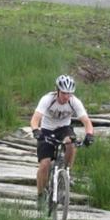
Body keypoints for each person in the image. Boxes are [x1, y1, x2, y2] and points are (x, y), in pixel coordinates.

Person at [30, 74, 94, 209]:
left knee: (71, 142)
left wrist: (89, 135)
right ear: (57, 90)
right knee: (45, 164)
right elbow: (35, 119)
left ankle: (66, 173)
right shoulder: (47, 99)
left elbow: (86, 121)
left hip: (64, 129)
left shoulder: (74, 101)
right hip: (46, 130)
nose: (66, 97)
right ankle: (41, 195)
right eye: (64, 93)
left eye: (69, 94)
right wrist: (36, 131)